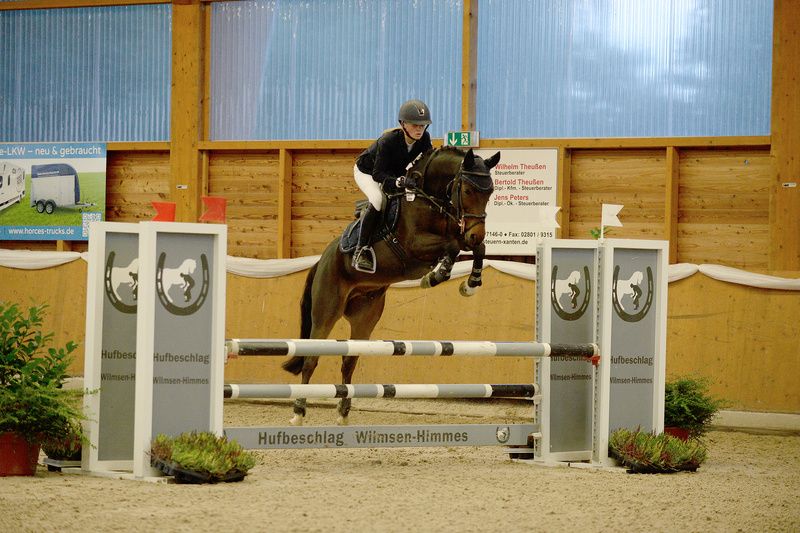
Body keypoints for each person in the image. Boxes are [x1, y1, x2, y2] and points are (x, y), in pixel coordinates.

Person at [351, 99, 433, 273]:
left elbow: (427, 162)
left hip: (392, 173)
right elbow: (378, 174)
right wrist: (398, 182)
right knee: (378, 199)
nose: (419, 129)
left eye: (422, 125)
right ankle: (361, 250)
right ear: (403, 124)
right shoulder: (388, 141)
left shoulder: (424, 139)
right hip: (367, 171)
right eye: (415, 125)